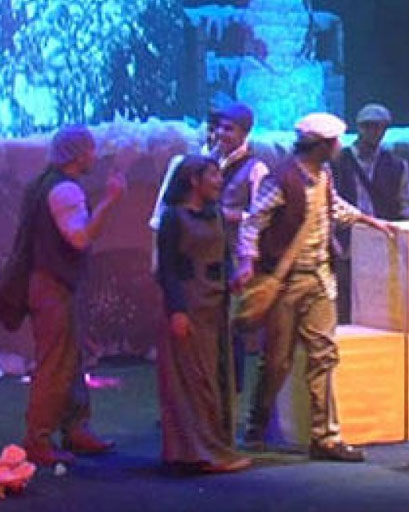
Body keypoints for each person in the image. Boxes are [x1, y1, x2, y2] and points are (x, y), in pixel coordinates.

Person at [236, 112, 395, 462]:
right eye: (334, 142)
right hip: (287, 281)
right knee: (277, 360)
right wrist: (247, 262)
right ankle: (256, 426)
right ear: (320, 145)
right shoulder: (282, 178)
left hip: (320, 277)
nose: (339, 147)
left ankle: (325, 436)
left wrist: (368, 220)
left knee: (324, 354)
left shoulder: (323, 175)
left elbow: (333, 206)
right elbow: (253, 223)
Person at [149, 103, 269, 399]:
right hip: (188, 257)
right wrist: (156, 256)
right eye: (217, 128)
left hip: (227, 259)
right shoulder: (192, 164)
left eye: (229, 129)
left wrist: (243, 249)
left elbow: (260, 218)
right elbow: (162, 213)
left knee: (227, 332)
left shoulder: (255, 168)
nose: (220, 134)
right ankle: (187, 400)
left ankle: (224, 400)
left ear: (245, 132)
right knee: (185, 328)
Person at [22, 124, 125, 466]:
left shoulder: (44, 184)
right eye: (90, 149)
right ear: (78, 154)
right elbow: (80, 238)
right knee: (56, 364)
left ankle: (76, 427)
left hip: (52, 283)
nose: (95, 155)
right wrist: (110, 201)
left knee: (71, 359)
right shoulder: (64, 190)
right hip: (53, 286)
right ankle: (37, 439)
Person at [155, 155, 252, 473]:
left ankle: (212, 447)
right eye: (213, 175)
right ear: (194, 180)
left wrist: (233, 276)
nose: (219, 181)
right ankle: (199, 452)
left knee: (214, 376)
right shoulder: (174, 217)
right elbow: (168, 268)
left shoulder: (216, 214)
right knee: (194, 381)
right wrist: (177, 310)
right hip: (189, 302)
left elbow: (224, 256)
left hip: (215, 303)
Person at [330, 103, 409, 323]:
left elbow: (406, 203)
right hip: (346, 240)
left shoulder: (396, 165)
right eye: (368, 126)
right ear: (359, 127)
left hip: (381, 239)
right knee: (345, 297)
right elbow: (330, 202)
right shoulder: (338, 161)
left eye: (379, 127)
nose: (373, 132)